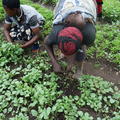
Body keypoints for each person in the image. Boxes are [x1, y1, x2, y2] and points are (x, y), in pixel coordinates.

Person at [44, 0, 97, 78]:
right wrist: (54, 63)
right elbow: (46, 43)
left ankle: (79, 69)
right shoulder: (56, 32)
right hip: (66, 6)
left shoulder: (88, 33)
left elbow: (81, 49)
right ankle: (67, 51)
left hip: (86, 5)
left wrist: (71, 62)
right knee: (68, 47)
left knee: (81, 48)